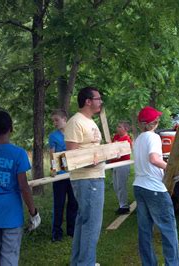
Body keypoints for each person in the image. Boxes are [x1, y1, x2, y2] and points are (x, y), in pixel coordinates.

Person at [0, 110, 40, 266]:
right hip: (12, 213)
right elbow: (24, 187)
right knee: (10, 257)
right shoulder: (18, 154)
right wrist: (33, 212)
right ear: (11, 128)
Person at [133, 106, 179, 266]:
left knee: (145, 231)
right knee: (168, 230)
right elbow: (154, 159)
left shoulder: (138, 139)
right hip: (154, 188)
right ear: (154, 122)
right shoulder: (153, 137)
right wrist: (171, 168)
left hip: (139, 186)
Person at [64, 87, 105, 265]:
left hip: (94, 177)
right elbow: (72, 156)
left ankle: (79, 262)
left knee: (83, 222)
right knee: (92, 225)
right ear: (88, 101)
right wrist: (93, 160)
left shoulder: (90, 121)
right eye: (98, 99)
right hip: (87, 179)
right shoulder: (76, 122)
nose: (100, 102)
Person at [49, 109, 78, 242]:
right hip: (60, 174)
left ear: (64, 119)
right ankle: (57, 232)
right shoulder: (53, 136)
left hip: (73, 173)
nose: (54, 123)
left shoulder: (73, 134)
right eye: (53, 121)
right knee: (58, 204)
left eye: (57, 120)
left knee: (73, 202)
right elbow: (52, 155)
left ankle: (71, 230)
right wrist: (53, 169)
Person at [111, 121, 132, 215]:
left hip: (122, 164)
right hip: (114, 164)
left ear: (125, 129)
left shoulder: (127, 140)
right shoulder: (116, 137)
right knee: (116, 186)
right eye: (117, 126)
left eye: (120, 127)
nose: (117, 128)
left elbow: (120, 152)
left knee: (121, 185)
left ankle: (124, 206)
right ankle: (122, 204)